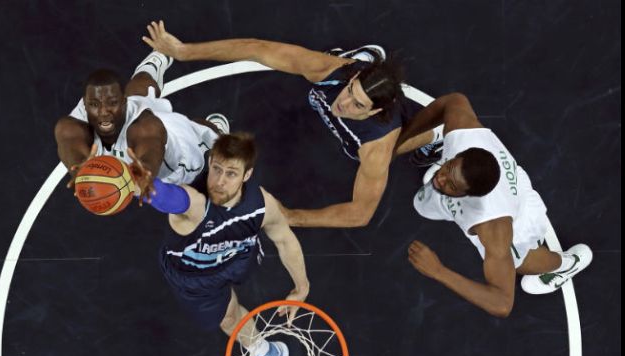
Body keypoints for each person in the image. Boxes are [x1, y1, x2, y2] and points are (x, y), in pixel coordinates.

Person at [141, 20, 443, 228]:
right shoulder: (332, 71)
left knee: (402, 143)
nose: (344, 104)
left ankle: (435, 135)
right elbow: (255, 48)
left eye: (358, 105)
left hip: (382, 137)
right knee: (337, 67)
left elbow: (359, 214)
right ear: (352, 77)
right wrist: (183, 51)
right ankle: (365, 58)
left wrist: (291, 216)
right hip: (350, 70)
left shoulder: (376, 144)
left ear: (373, 110)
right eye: (351, 91)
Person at [130, 132, 310, 356]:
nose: (220, 181)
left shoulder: (262, 205)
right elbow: (172, 198)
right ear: (210, 161)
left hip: (237, 256)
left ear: (247, 174)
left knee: (238, 282)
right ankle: (268, 353)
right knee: (227, 318)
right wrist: (148, 187)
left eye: (231, 173)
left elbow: (285, 240)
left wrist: (301, 287)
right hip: (194, 275)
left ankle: (263, 354)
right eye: (216, 169)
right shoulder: (195, 203)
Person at [398, 92, 593, 317]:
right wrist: (395, 147)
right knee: (423, 203)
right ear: (459, 155)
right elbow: (453, 100)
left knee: (519, 263)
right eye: (447, 168)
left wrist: (438, 271)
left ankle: (565, 264)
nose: (440, 179)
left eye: (450, 185)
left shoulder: (494, 228)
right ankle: (447, 175)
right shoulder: (463, 135)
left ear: (469, 195)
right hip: (485, 184)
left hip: (516, 219)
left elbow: (502, 303)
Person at [54, 50, 230, 201]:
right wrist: (80, 170)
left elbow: (150, 147)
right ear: (85, 104)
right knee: (140, 89)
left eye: (112, 103)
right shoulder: (73, 124)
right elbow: (70, 144)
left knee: (198, 132)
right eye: (94, 105)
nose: (103, 112)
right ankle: (152, 65)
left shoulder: (146, 128)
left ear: (123, 103)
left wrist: (145, 171)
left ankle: (215, 131)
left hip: (173, 152)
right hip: (132, 117)